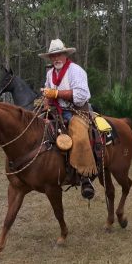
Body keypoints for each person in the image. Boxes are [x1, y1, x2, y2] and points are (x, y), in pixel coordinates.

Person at [39, 38, 96, 199]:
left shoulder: (76, 71)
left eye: (59, 55)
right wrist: (45, 103)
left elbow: (81, 96)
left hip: (76, 112)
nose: (56, 58)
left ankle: (85, 177)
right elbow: (46, 92)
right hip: (55, 111)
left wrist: (56, 93)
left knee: (79, 136)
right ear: (50, 58)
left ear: (65, 55)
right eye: (53, 56)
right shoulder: (50, 73)